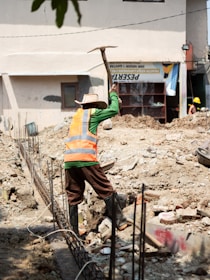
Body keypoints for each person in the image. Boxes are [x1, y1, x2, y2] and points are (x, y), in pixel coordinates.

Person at [64, 83, 129, 235]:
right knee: (105, 189)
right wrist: (113, 94)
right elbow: (113, 110)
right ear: (94, 105)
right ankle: (120, 222)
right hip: (86, 159)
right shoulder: (93, 113)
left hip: (69, 160)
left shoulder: (77, 116)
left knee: (73, 195)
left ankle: (73, 232)